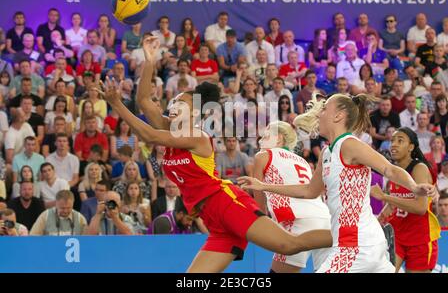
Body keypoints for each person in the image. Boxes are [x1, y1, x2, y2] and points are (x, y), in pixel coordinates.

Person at [98, 36, 334, 272]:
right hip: (211, 217)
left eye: (181, 103)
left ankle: (352, 234)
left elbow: (150, 136)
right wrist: (149, 60)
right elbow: (143, 100)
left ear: (194, 113)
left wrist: (118, 106)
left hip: (225, 203)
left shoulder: (198, 136)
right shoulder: (169, 129)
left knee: (288, 244)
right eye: (173, 102)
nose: (173, 106)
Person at [239, 93, 436, 273]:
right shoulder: (326, 152)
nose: (319, 112)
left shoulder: (349, 144)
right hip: (359, 242)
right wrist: (263, 186)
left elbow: (389, 169)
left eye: (325, 108)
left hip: (356, 245)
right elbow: (309, 190)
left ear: (338, 116)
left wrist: (414, 187)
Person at [251, 121, 331, 273]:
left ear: (279, 138)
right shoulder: (303, 161)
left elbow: (259, 206)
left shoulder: (263, 156)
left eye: (267, 134)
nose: (262, 139)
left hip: (296, 221)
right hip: (324, 219)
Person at [371, 127, 441, 272]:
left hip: (420, 238)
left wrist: (384, 196)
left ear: (411, 147)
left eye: (400, 141)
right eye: (392, 141)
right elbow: (391, 206)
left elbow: (420, 208)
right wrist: (376, 222)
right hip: (397, 235)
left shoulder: (419, 168)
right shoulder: (394, 171)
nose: (394, 144)